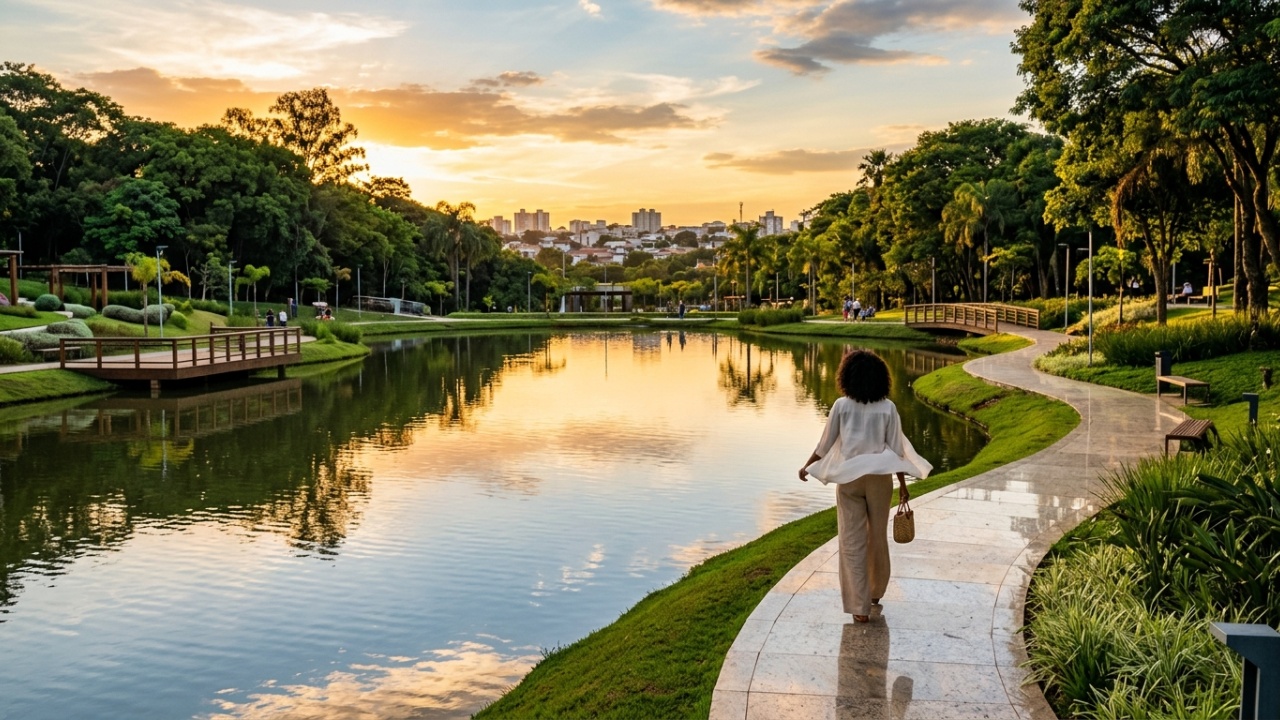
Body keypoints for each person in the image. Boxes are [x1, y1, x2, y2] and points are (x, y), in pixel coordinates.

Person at [799, 350, 932, 623]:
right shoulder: (888, 408)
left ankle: (859, 607)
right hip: (879, 480)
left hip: (849, 479)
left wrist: (807, 465)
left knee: (851, 540)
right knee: (877, 537)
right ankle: (875, 592)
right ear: (880, 378)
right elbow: (896, 450)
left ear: (847, 377)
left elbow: (824, 445)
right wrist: (902, 484)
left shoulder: (841, 406)